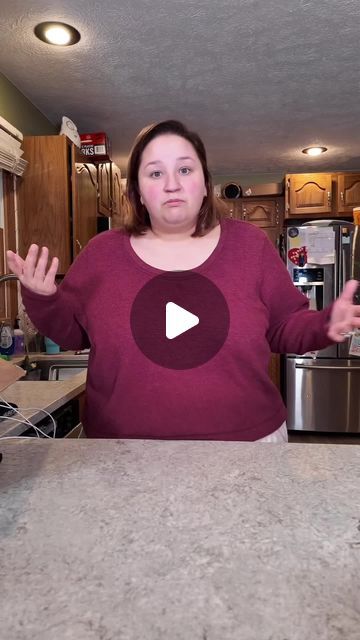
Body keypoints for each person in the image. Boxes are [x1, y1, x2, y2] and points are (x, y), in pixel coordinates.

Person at [7, 120, 360, 441]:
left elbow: (284, 326)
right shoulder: (101, 254)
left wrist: (326, 324)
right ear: (138, 192)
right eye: (155, 173)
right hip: (120, 449)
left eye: (185, 169)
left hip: (247, 447)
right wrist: (43, 298)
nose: (172, 184)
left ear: (205, 184)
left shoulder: (250, 245)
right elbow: (72, 334)